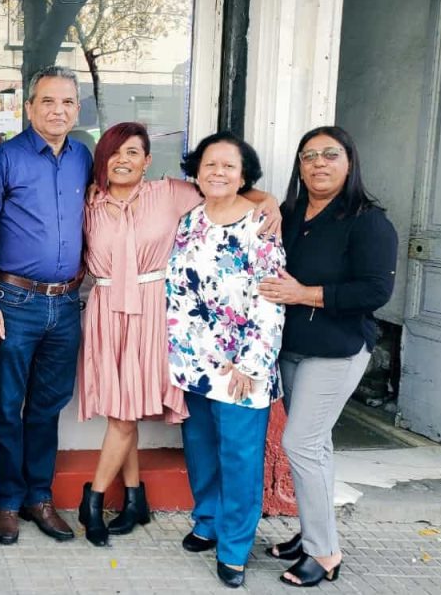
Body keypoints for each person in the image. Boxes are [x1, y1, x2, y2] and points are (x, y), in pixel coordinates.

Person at [76, 123, 280, 546]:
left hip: (152, 311)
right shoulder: (89, 202)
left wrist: (269, 201)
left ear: (148, 160)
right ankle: (135, 499)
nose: (124, 160)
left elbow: (225, 193)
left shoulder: (169, 193)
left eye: (134, 152)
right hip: (107, 311)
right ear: (102, 159)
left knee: (124, 412)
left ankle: (92, 498)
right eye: (115, 152)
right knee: (122, 407)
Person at [259, 126, 397, 587]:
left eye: (329, 155)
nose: (318, 163)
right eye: (308, 156)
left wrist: (304, 294)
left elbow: (376, 290)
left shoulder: (367, 221)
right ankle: (312, 533)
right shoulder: (292, 212)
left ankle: (325, 552)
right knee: (315, 446)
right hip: (293, 349)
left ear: (349, 162)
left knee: (300, 444)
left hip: (337, 350)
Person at [166, 132, 285, 588]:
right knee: (201, 449)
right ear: (196, 171)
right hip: (195, 363)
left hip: (242, 367)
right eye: (209, 164)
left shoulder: (260, 224)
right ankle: (208, 521)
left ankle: (235, 545)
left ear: (243, 177)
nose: (217, 172)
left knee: (239, 456)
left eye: (228, 167)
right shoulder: (189, 220)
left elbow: (271, 301)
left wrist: (250, 364)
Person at [0, 65, 92, 545]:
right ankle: (6, 501)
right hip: (13, 300)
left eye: (67, 102)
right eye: (47, 101)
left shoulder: (84, 157)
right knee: (7, 406)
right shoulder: (3, 158)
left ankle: (38, 497)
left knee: (48, 406)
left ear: (77, 109)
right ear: (29, 107)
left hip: (66, 305)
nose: (58, 110)